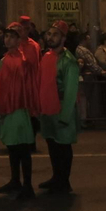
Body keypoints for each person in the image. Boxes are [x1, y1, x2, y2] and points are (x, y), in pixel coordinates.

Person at [0, 22, 38, 198]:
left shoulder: (22, 60)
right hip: (8, 109)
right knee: (13, 148)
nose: (8, 39)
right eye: (6, 36)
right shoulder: (6, 59)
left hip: (18, 109)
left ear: (19, 39)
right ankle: (15, 181)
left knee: (22, 149)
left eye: (12, 36)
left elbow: (22, 87)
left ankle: (27, 185)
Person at [35, 22, 81, 195]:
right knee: (52, 144)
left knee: (63, 146)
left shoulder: (69, 61)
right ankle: (56, 177)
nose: (50, 37)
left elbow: (71, 91)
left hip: (61, 109)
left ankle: (64, 181)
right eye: (49, 34)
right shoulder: (46, 56)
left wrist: (65, 115)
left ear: (63, 38)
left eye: (55, 34)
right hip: (48, 109)